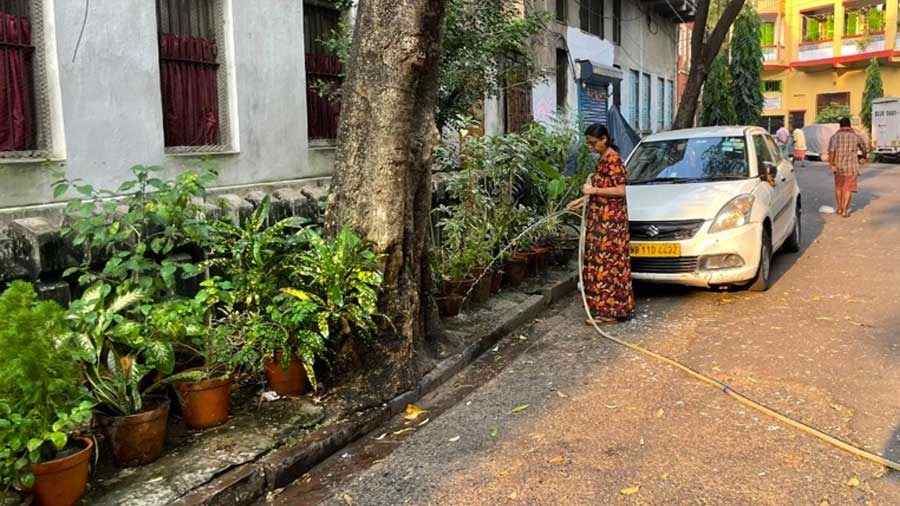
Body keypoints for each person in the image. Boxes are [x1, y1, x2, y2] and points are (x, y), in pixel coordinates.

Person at [566, 123, 635, 324]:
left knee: (608, 265)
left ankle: (610, 313)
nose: (590, 147)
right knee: (600, 264)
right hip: (600, 221)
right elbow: (599, 187)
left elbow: (620, 190)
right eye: (588, 143)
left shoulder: (613, 160)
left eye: (593, 143)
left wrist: (593, 192)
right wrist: (580, 202)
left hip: (610, 225)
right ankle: (608, 310)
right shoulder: (603, 160)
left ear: (604, 139)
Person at [827, 117, 868, 217]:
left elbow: (832, 152)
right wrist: (863, 156)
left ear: (840, 125)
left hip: (838, 166)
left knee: (839, 187)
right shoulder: (856, 136)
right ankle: (845, 210)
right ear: (849, 125)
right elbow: (864, 148)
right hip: (852, 167)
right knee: (848, 189)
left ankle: (840, 208)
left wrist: (831, 164)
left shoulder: (834, 137)